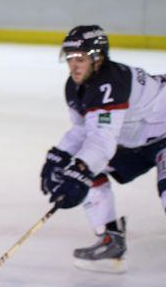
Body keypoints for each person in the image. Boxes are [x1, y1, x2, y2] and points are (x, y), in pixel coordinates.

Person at [40, 25, 166, 273]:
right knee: (84, 172)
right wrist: (58, 156)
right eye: (70, 58)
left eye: (80, 59)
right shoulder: (75, 87)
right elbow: (83, 129)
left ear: (98, 59)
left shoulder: (112, 83)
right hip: (137, 143)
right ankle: (111, 242)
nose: (73, 66)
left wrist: (80, 170)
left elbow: (102, 140)